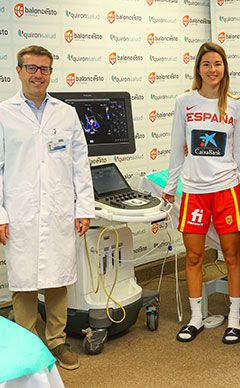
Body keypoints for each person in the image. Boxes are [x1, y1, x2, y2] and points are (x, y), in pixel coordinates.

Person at [0, 45, 95, 370]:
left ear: (50, 73)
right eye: (31, 68)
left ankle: (56, 341)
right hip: (21, 211)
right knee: (24, 282)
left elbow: (80, 164)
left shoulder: (65, 113)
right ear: (19, 71)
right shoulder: (4, 113)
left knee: (57, 278)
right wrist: (0, 214)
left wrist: (83, 207)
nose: (38, 75)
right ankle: (27, 346)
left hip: (58, 210)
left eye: (44, 69)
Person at [162, 42, 240, 345]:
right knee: (195, 256)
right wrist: (170, 189)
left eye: (218, 64)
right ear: (198, 68)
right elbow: (176, 148)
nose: (213, 70)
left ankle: (234, 319)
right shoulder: (184, 101)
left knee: (231, 256)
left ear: (225, 68)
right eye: (207, 64)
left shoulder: (236, 105)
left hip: (226, 190)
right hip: (194, 191)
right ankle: (196, 317)